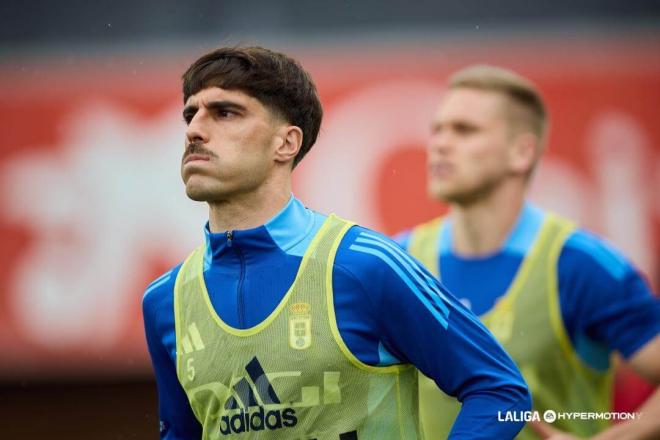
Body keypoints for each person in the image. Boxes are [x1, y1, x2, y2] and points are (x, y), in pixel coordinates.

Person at [142, 47, 531, 439]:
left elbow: (500, 391)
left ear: (286, 143)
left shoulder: (365, 267)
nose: (194, 129)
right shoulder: (165, 301)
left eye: (225, 113)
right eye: (191, 114)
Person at [396, 65, 660, 439]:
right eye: (437, 129)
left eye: (464, 130)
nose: (439, 143)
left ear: (521, 152)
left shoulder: (579, 266)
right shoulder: (399, 261)